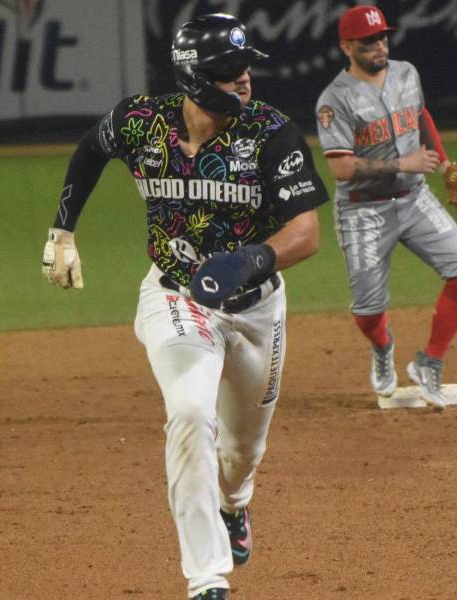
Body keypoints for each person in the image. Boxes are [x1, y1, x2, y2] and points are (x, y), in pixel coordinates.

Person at [40, 13, 328, 600]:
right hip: (176, 296)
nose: (244, 79)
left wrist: (250, 260)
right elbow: (90, 149)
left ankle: (234, 504)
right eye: (230, 70)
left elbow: (306, 232)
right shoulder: (141, 122)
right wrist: (62, 230)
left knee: (242, 452)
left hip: (257, 310)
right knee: (192, 413)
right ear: (195, 77)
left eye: (247, 67)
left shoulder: (270, 131)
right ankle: (207, 577)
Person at [315, 5, 457, 410]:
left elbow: (420, 116)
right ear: (347, 46)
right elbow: (341, 168)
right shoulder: (334, 100)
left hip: (414, 198)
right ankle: (383, 347)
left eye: (383, 37)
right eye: (368, 41)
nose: (379, 46)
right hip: (363, 211)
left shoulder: (407, 73)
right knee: (368, 314)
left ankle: (429, 362)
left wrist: (445, 164)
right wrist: (404, 163)